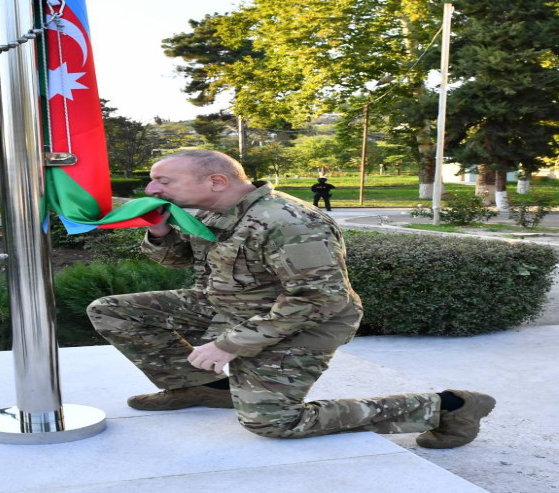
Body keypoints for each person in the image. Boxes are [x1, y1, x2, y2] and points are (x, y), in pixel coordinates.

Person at [87, 150, 495, 447]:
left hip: (303, 322)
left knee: (272, 423)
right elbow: (182, 260)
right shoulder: (212, 210)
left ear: (216, 181)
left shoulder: (288, 222)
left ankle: (448, 407)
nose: (151, 189)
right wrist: (159, 231)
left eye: (163, 181)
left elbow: (319, 299)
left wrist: (229, 345)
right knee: (112, 311)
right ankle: (204, 388)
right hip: (228, 305)